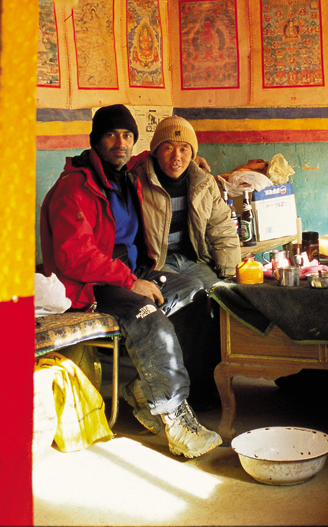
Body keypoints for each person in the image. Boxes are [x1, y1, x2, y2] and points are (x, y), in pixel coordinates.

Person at [39, 104, 222, 458]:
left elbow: (161, 153)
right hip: (91, 285)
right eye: (111, 135)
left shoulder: (123, 175)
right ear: (95, 141)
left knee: (192, 289)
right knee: (150, 320)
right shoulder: (74, 187)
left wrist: (192, 158)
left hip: (129, 274)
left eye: (127, 135)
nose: (120, 143)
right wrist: (129, 282)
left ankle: (143, 389)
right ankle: (174, 417)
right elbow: (74, 256)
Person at [130, 115, 240, 291]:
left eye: (184, 149)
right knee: (190, 293)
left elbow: (221, 228)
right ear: (156, 151)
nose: (177, 157)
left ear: (193, 154)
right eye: (168, 148)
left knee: (222, 294)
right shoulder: (136, 182)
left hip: (193, 260)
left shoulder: (204, 184)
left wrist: (229, 271)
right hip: (156, 265)